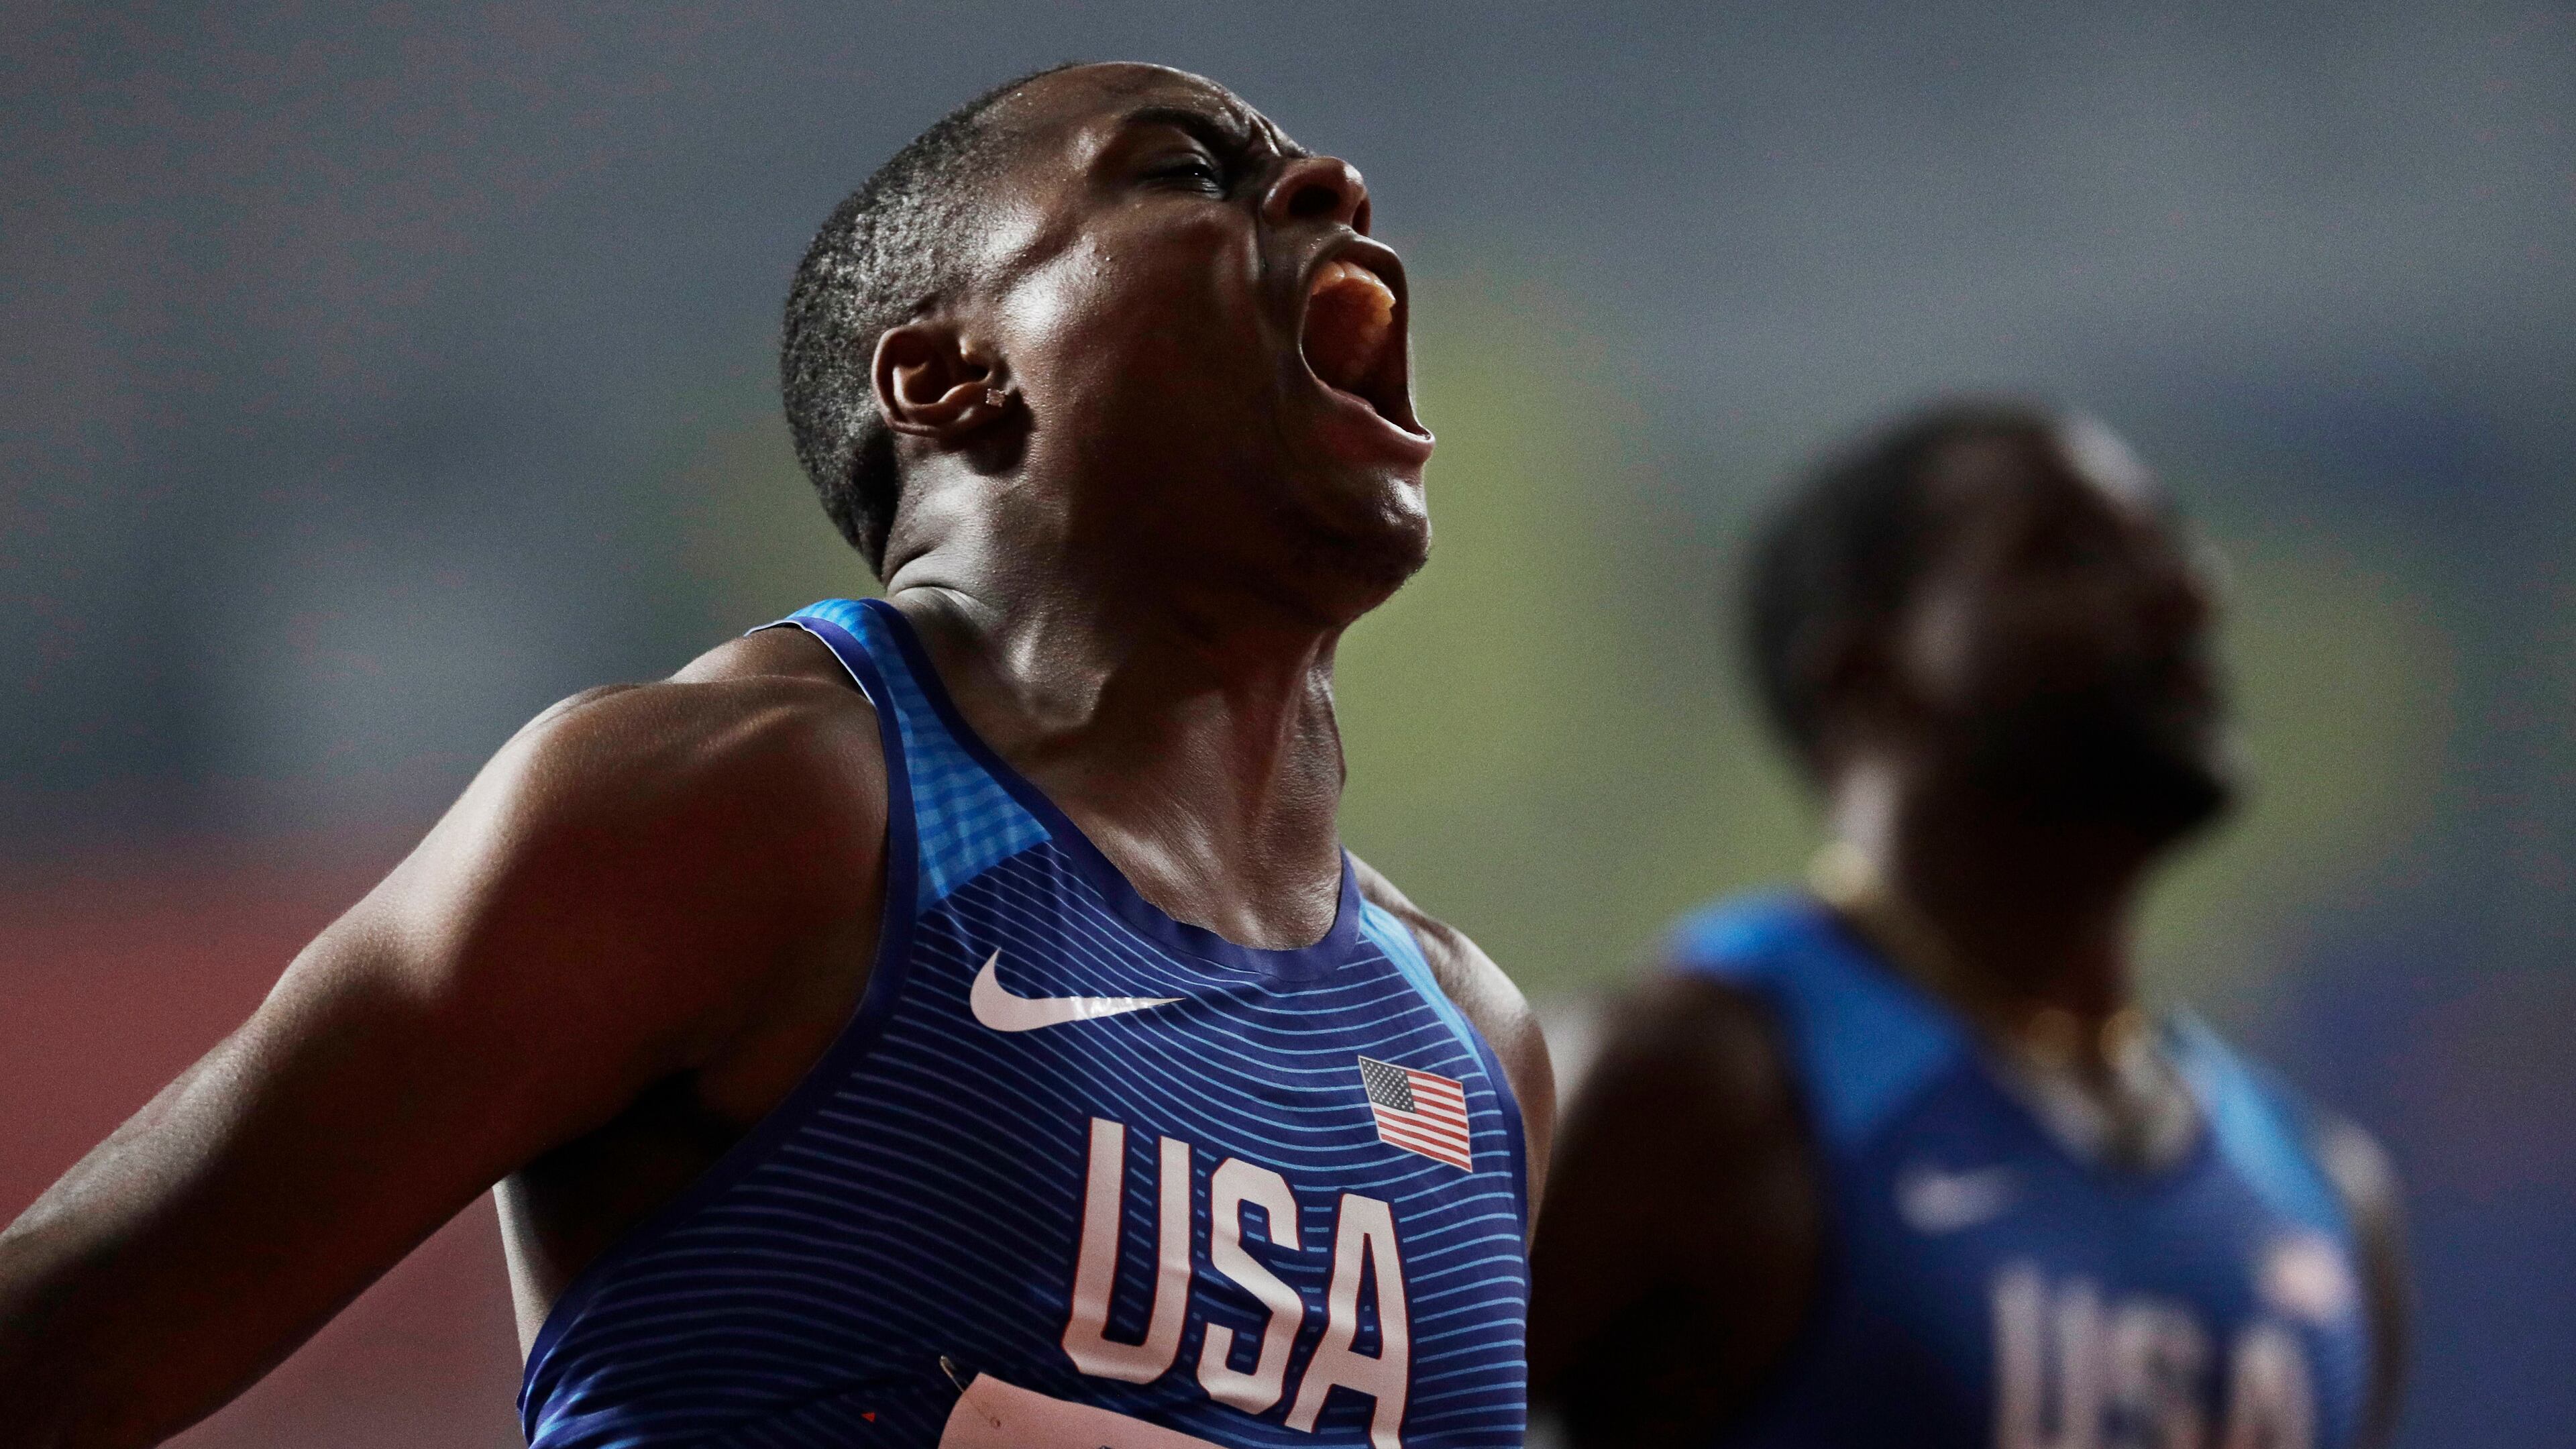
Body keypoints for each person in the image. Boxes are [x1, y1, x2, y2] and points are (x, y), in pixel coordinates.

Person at [0, 62, 1552, 1449]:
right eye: (1184, 170)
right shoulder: (756, 802)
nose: (1330, 184)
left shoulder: (1472, 1041)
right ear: (947, 376)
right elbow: (65, 1348)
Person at [1526, 403, 2406, 1449]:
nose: (2188, 594)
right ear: (1865, 677)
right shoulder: (1684, 1086)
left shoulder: (2328, 1199)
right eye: (2073, 557)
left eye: (2174, 547)